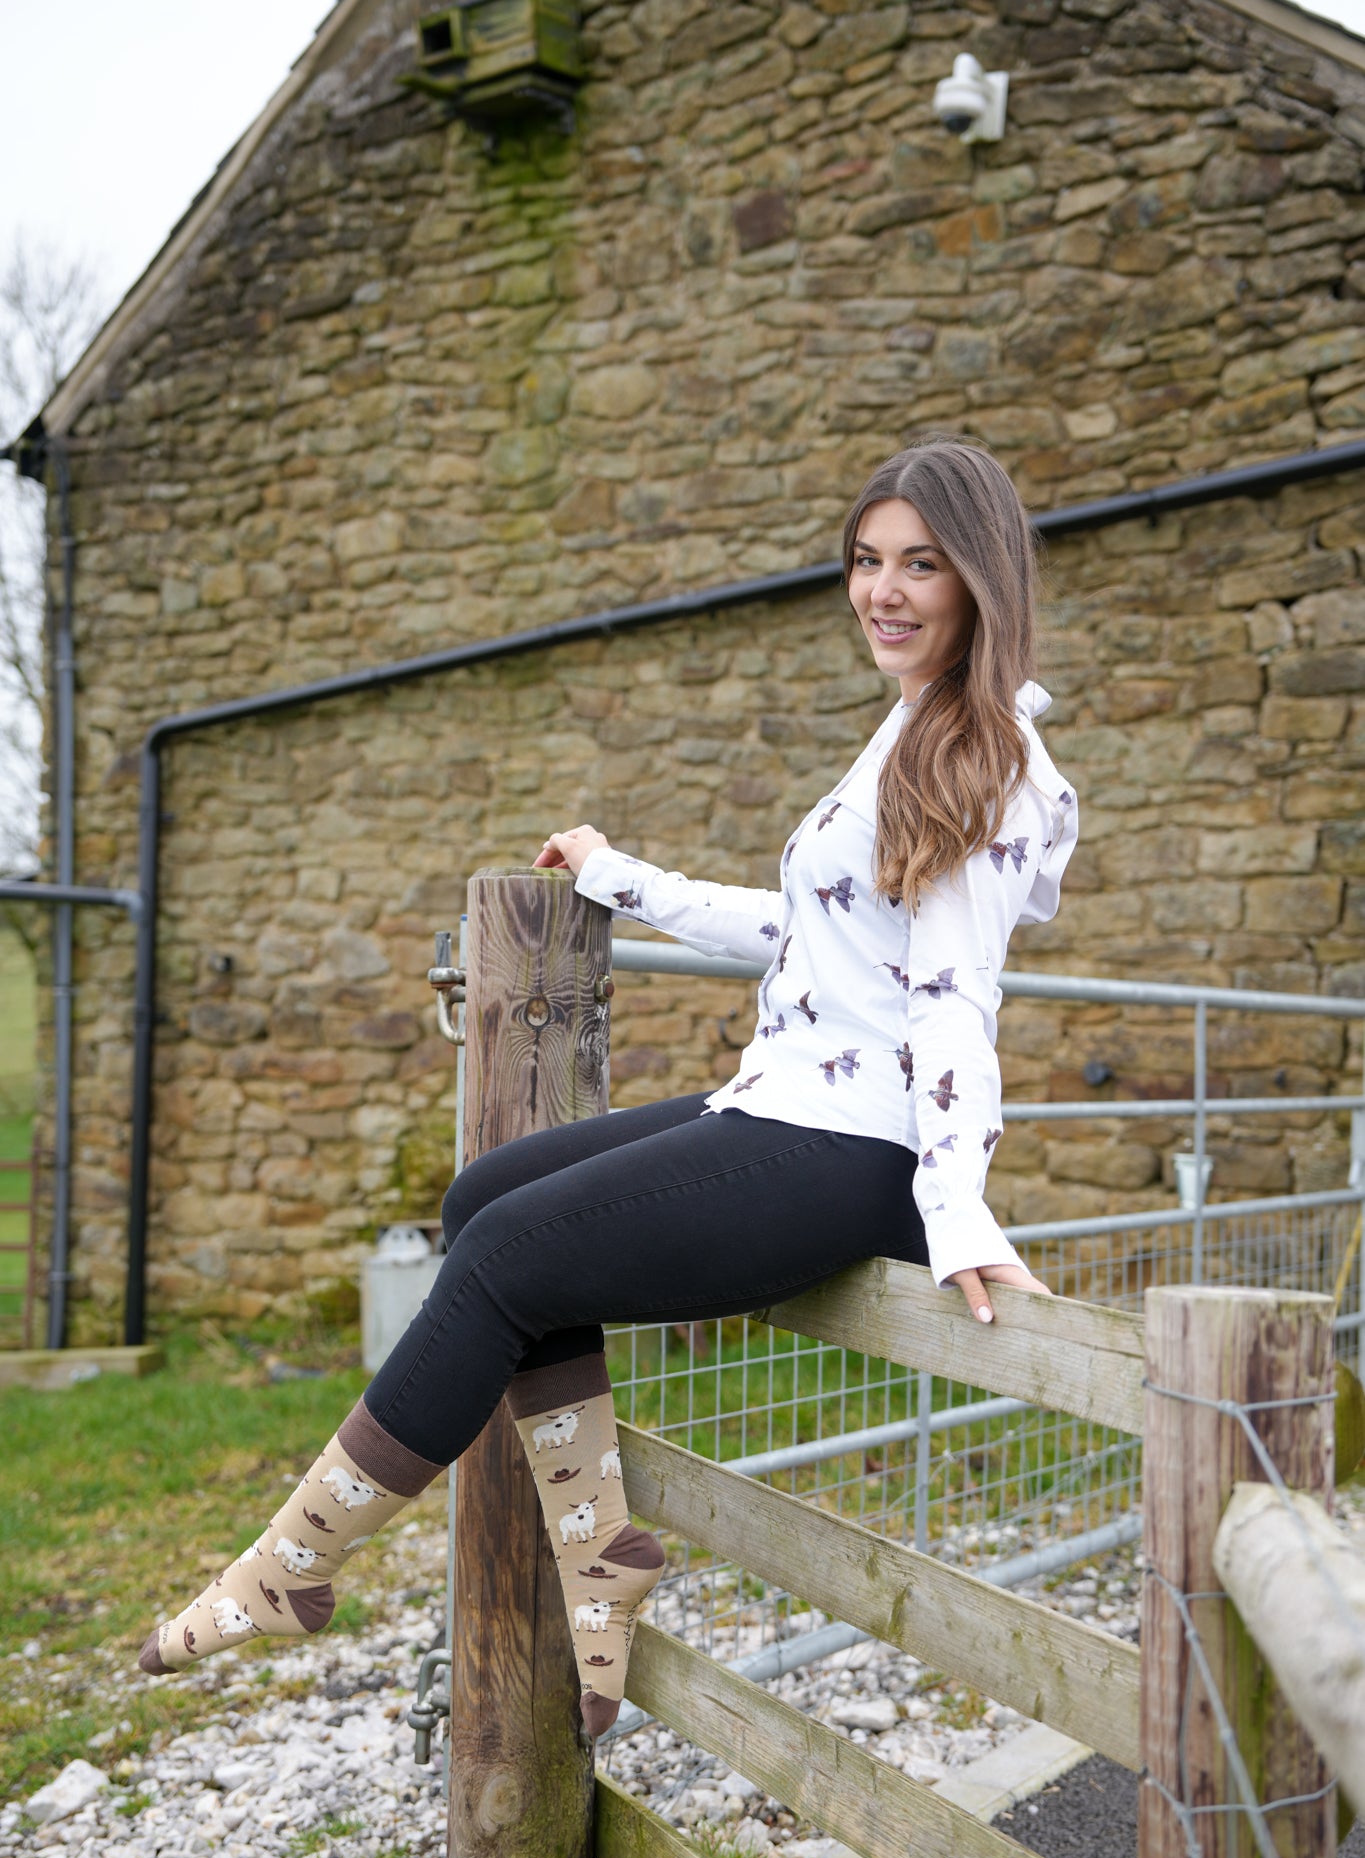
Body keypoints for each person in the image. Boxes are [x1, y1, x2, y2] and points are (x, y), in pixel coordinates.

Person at [138, 437, 1078, 1739]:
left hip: (859, 1148)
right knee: (484, 1199)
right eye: (867, 561)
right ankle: (601, 1554)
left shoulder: (987, 757)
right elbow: (814, 932)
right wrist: (620, 879)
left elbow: (954, 996)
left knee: (507, 1258)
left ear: (981, 577)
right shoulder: (911, 730)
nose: (883, 591)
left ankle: (292, 1566)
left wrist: (957, 1204)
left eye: (920, 565)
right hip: (791, 1105)